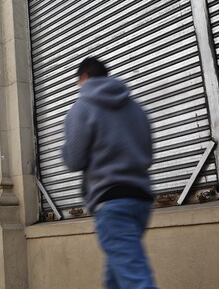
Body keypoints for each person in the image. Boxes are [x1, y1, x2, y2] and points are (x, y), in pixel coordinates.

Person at [62, 57, 157, 289]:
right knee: (115, 279)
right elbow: (147, 153)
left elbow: (74, 160)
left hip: (111, 204)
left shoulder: (82, 108)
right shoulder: (135, 108)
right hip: (140, 201)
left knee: (136, 281)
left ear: (83, 78)